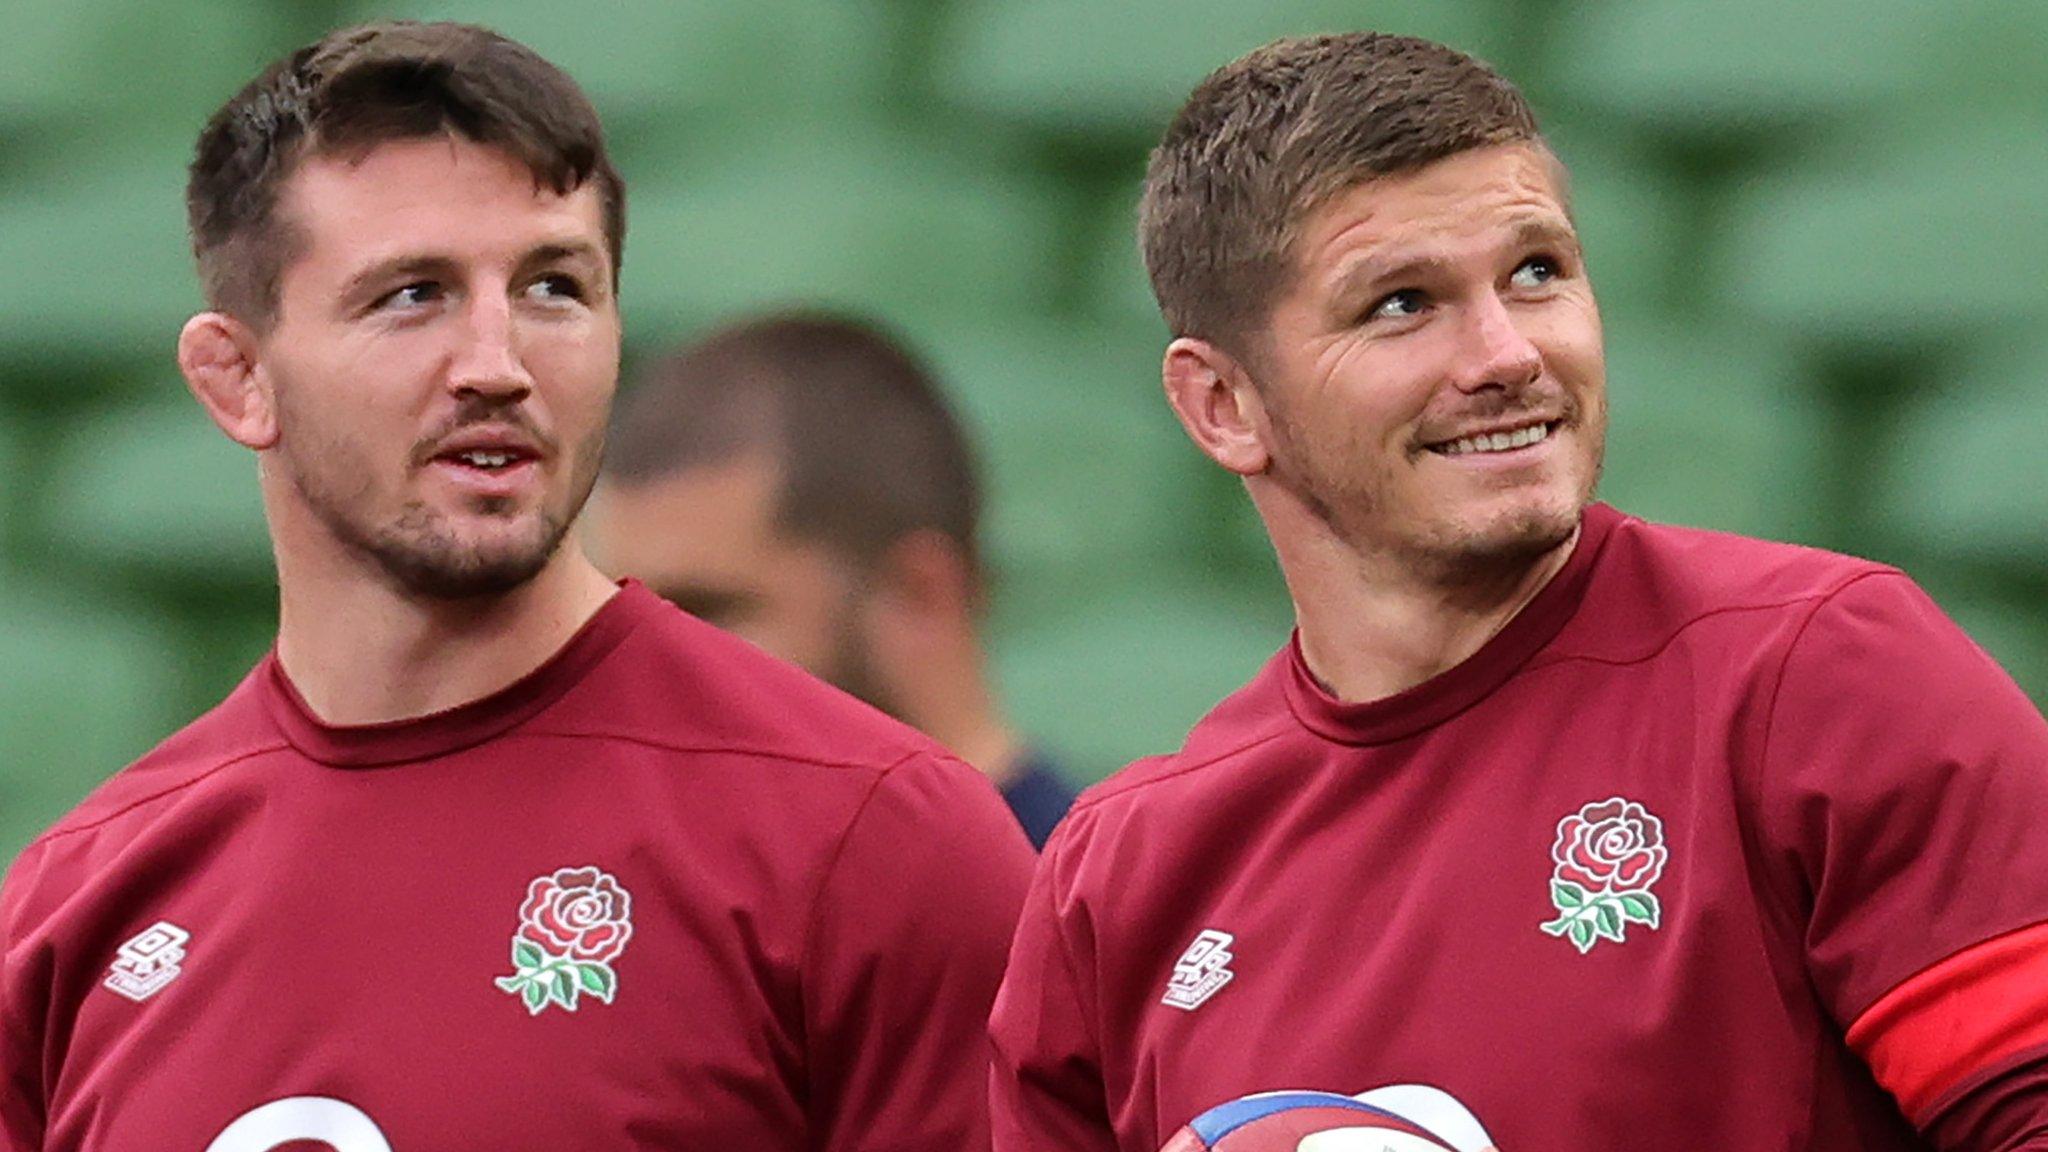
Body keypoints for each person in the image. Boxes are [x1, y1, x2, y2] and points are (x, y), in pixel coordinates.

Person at [987, 31, 2048, 1152]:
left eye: (1535, 272)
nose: (1504, 353)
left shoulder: (1822, 674)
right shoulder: (1122, 875)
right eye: (1400, 302)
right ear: (1222, 407)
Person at [0, 22, 1032, 1151]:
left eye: (552, 287)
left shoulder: (876, 840)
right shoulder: (74, 908)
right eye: (411, 295)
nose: (497, 363)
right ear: (238, 379)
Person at [596, 312, 1078, 848]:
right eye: (623, 617)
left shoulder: (1097, 919)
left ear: (919, 597)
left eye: (706, 610)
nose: (640, 669)